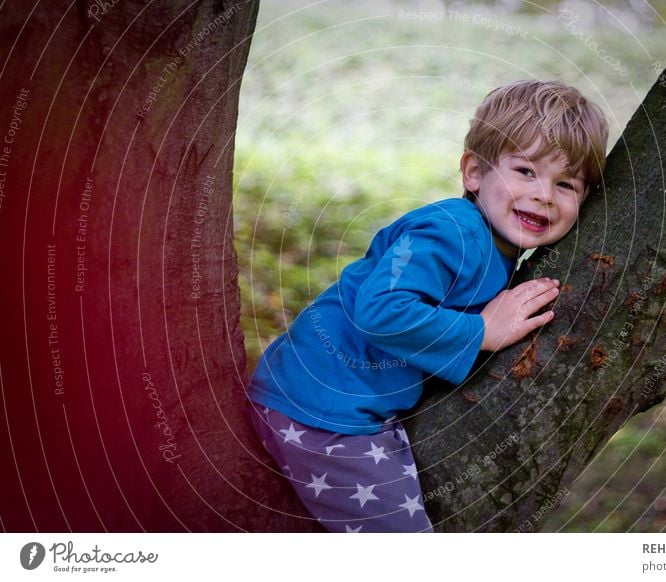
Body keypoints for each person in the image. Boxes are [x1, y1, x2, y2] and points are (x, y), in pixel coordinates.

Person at [247, 79, 608, 532]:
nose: (544, 194)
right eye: (525, 171)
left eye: (567, 184)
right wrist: (483, 331)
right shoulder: (452, 233)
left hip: (341, 400)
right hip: (321, 409)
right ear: (473, 172)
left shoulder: (491, 242)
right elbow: (381, 310)